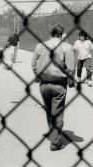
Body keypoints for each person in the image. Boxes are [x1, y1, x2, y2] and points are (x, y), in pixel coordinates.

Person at [31, 22, 75, 151]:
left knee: (49, 111)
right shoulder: (67, 47)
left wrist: (38, 77)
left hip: (44, 84)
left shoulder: (40, 45)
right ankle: (55, 143)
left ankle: (53, 135)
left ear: (50, 33)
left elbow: (33, 64)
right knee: (58, 113)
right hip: (59, 84)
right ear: (61, 33)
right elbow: (71, 68)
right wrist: (70, 82)